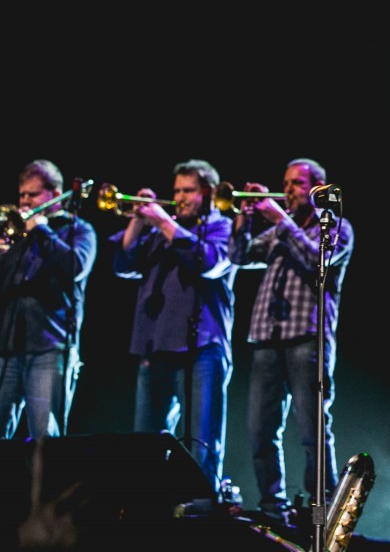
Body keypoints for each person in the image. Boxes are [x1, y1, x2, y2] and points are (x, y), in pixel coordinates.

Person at [228, 158, 354, 522]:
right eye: (284, 183)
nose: (286, 190)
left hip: (308, 339)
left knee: (312, 428)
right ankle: (272, 505)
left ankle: (322, 508)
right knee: (260, 430)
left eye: (296, 184)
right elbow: (237, 256)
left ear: (316, 187)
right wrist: (244, 217)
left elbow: (320, 263)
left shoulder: (337, 227)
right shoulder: (278, 232)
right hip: (267, 338)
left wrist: (281, 222)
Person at [110, 158, 236, 491]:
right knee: (144, 444)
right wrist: (137, 224)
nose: (179, 197)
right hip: (154, 346)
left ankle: (202, 514)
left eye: (188, 190)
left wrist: (164, 222)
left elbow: (207, 263)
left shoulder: (221, 226)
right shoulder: (158, 233)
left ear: (207, 192)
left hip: (202, 349)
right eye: (176, 189)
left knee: (201, 443)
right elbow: (123, 265)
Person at [1, 160, 97, 441]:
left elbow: (76, 266)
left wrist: (41, 229)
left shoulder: (78, 230)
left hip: (49, 348)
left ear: (55, 195)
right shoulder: (17, 236)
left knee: (45, 440)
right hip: (8, 347)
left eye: (32, 195)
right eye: (22, 195)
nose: (25, 202)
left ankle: (45, 488)